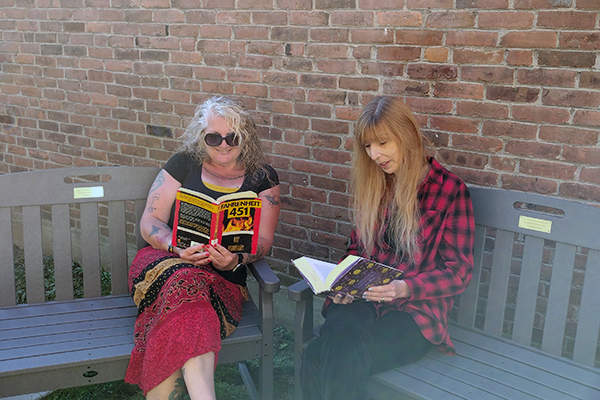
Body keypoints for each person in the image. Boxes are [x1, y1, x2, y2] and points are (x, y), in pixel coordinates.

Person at [300, 96, 475, 400]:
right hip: (362, 296)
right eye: (368, 146)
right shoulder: (376, 184)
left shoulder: (450, 191)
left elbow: (458, 271)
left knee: (319, 357)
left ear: (406, 136)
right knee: (340, 342)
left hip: (414, 311)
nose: (375, 155)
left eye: (382, 142)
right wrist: (343, 283)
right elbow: (356, 248)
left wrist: (404, 288)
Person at [125, 96, 281, 400]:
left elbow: (263, 241)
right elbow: (151, 219)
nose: (223, 145)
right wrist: (175, 246)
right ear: (201, 136)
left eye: (232, 137)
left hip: (221, 281)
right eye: (213, 137)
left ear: (245, 136)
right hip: (165, 266)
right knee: (186, 281)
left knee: (189, 304)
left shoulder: (263, 178)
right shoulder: (183, 164)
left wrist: (236, 259)